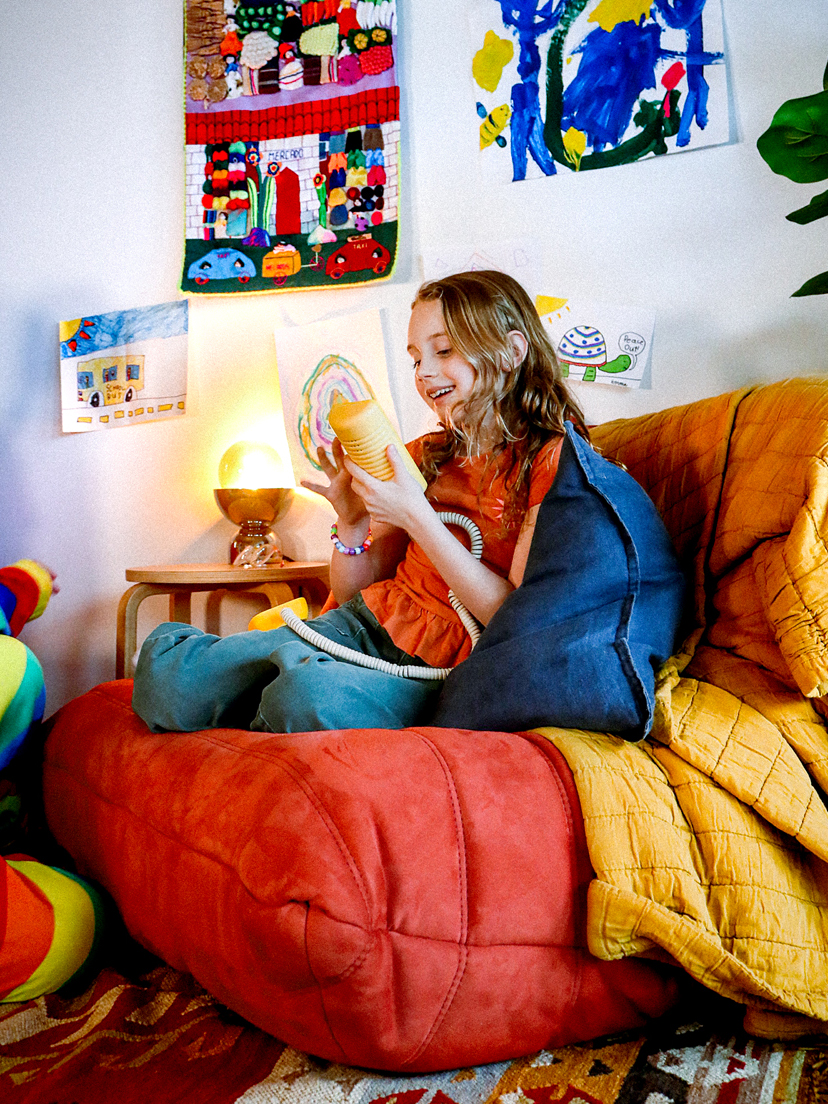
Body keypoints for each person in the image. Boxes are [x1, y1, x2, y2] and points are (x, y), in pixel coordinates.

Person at [132, 270, 589, 734]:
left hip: (436, 671)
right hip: (362, 626)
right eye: (415, 359)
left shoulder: (555, 461)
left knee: (304, 698)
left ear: (512, 351)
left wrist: (417, 515)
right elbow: (353, 594)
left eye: (444, 350)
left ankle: (282, 675)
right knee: (170, 683)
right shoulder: (421, 457)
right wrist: (351, 524)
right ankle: (240, 665)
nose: (425, 373)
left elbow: (511, 616)